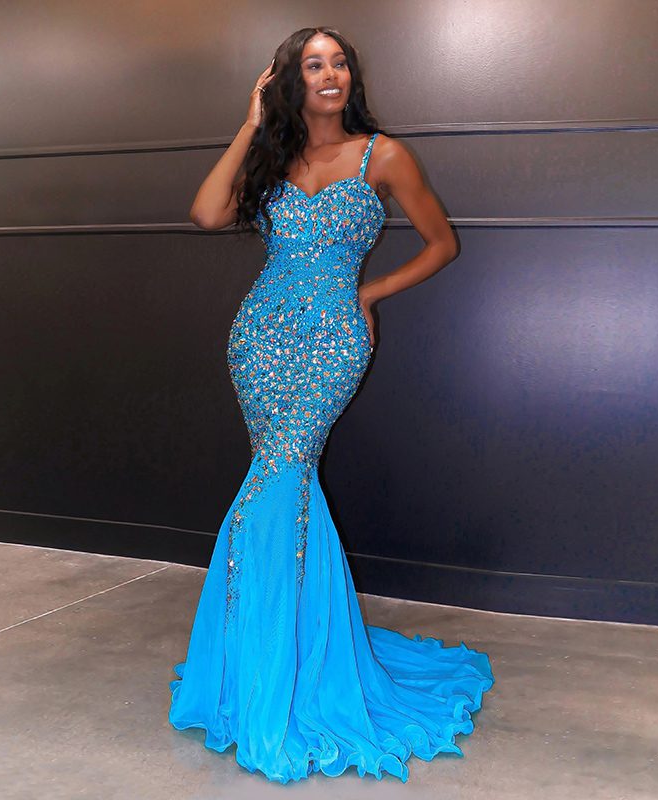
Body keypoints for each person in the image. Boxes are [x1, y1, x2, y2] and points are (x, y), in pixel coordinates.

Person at [169, 26, 494, 784]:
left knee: (277, 484)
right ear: (289, 80)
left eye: (338, 62)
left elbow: (441, 243)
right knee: (283, 488)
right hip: (260, 337)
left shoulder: (384, 156)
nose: (329, 74)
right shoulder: (271, 155)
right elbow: (207, 213)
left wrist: (369, 293)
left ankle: (274, 669)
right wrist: (250, 122)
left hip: (334, 339)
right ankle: (281, 660)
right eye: (312, 64)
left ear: (352, 76)